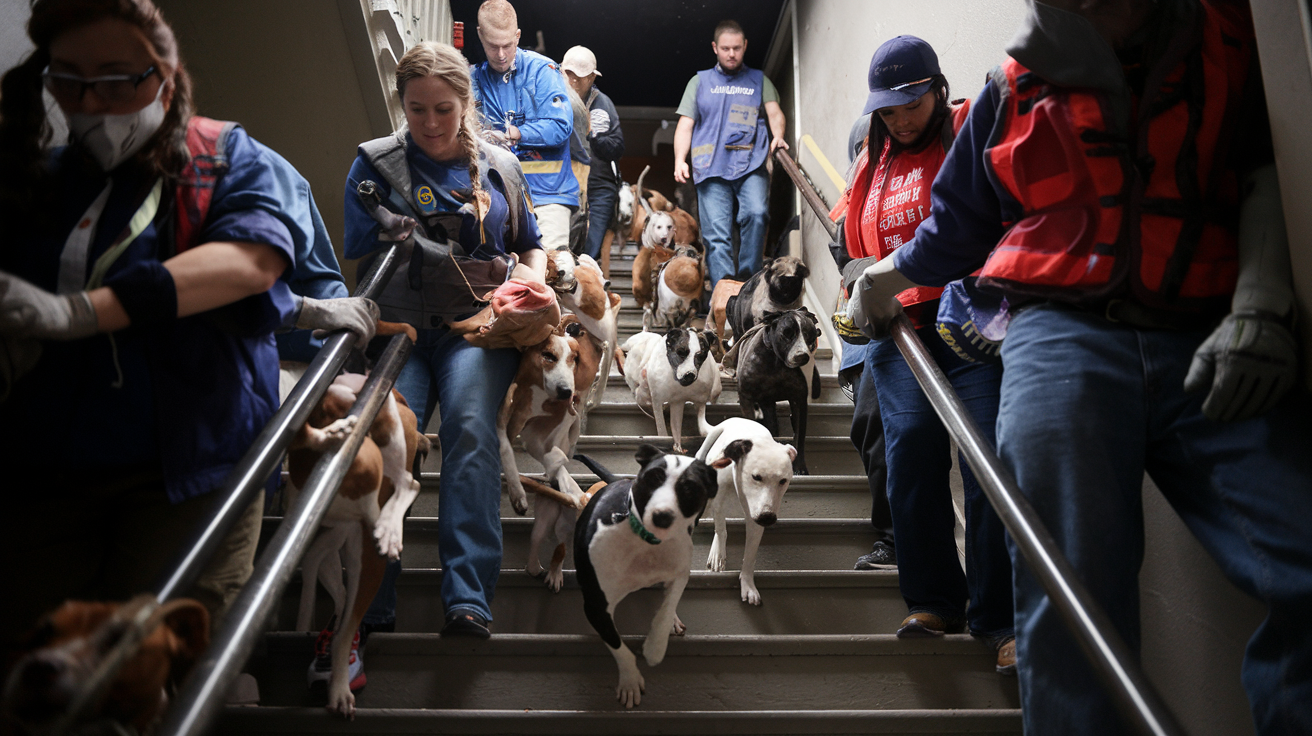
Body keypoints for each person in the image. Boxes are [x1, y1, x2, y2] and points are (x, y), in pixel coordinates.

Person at [853, 1, 1312, 733]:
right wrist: (883, 278)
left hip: (1209, 326)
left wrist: (1263, 295)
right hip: (1060, 335)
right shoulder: (1010, 88)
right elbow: (955, 228)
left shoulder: (1226, 38)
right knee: (1070, 597)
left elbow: (1261, 158)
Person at [0, 0, 375, 652]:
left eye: (119, 78)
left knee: (149, 668)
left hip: (191, 471)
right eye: (72, 80)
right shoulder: (43, 177)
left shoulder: (227, 157)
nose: (96, 101)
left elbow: (251, 267)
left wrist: (76, 313)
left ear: (164, 75)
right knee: (38, 666)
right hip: (47, 470)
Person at [342, 40, 545, 663]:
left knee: (469, 431)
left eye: (444, 110)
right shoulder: (373, 167)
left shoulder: (502, 168)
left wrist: (529, 281)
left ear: (466, 104)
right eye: (416, 109)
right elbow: (356, 253)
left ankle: (468, 598)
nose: (430, 123)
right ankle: (370, 601)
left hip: (477, 329)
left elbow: (531, 245)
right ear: (400, 105)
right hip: (397, 327)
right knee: (386, 444)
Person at [831, 36, 1014, 672]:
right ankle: (934, 599)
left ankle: (1001, 620)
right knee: (909, 458)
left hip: (971, 325)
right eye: (889, 109)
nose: (902, 119)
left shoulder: (965, 128)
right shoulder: (868, 161)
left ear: (936, 88)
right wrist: (858, 271)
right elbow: (846, 237)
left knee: (988, 457)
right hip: (900, 333)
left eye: (912, 103)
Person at [673, 19, 787, 291]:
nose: (732, 54)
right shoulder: (699, 81)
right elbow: (685, 124)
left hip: (751, 163)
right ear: (715, 48)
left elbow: (774, 113)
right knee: (717, 235)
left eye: (737, 48)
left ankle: (748, 280)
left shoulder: (759, 80)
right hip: (710, 166)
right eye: (725, 48)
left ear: (745, 46)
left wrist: (778, 136)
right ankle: (725, 287)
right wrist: (679, 159)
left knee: (757, 214)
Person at [469, 0, 577, 251]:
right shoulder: (470, 79)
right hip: (497, 199)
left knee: (556, 272)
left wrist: (514, 133)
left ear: (518, 36)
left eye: (507, 45)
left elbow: (560, 125)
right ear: (480, 35)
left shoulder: (544, 71)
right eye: (493, 46)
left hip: (549, 196)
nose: (501, 54)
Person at [561, 45, 625, 262]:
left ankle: (587, 288)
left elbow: (617, 147)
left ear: (591, 77)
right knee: (561, 247)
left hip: (598, 188)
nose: (574, 81)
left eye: (580, 76)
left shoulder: (602, 104)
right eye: (569, 75)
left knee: (589, 251)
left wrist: (594, 135)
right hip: (562, 184)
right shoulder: (553, 101)